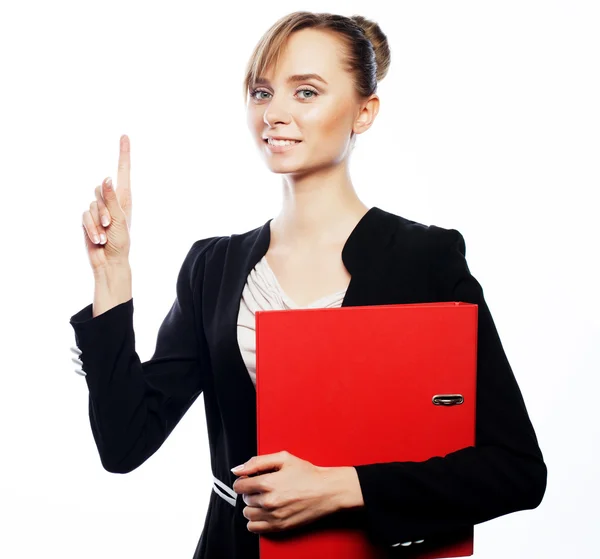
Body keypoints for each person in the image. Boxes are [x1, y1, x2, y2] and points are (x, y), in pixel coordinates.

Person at [69, 11, 547, 559]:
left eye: (306, 92)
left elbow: (515, 470)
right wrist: (112, 274)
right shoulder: (214, 266)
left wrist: (345, 488)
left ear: (364, 113)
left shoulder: (427, 261)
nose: (274, 114)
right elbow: (125, 441)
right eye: (262, 92)